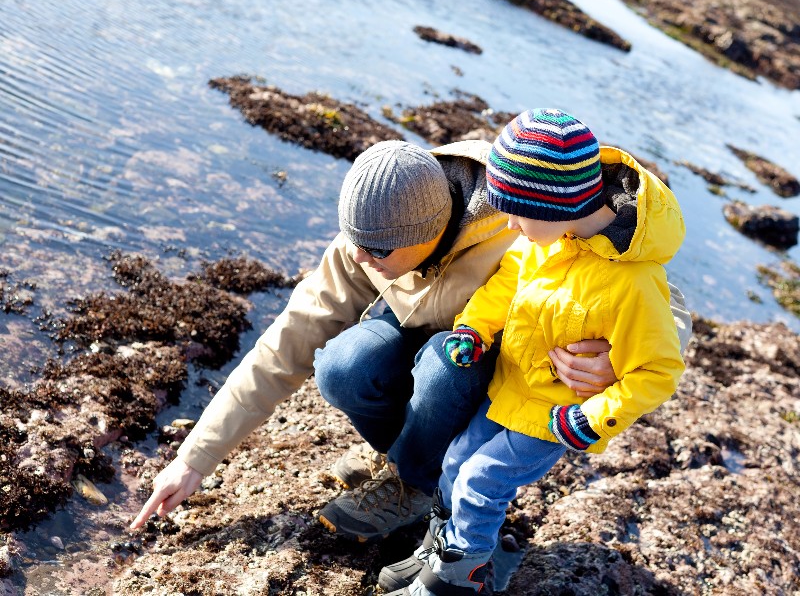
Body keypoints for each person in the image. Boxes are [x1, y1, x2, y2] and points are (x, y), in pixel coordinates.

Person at [129, 137, 692, 541]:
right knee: (343, 366)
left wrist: (618, 364)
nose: (357, 258)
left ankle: (415, 485)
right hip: (423, 337)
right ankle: (408, 465)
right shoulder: (371, 230)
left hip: (491, 364)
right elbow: (283, 346)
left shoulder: (525, 212)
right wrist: (194, 460)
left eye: (375, 252)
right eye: (353, 241)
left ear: (427, 238)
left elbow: (649, 271)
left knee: (446, 367)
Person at [379, 108, 687, 596]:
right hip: (508, 392)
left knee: (481, 480)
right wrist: (474, 330)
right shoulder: (548, 240)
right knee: (457, 461)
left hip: (554, 415)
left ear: (555, 205)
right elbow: (506, 285)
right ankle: (444, 550)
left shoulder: (633, 282)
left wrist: (592, 419)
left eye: (517, 212)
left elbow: (659, 369)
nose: (511, 224)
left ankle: (457, 583)